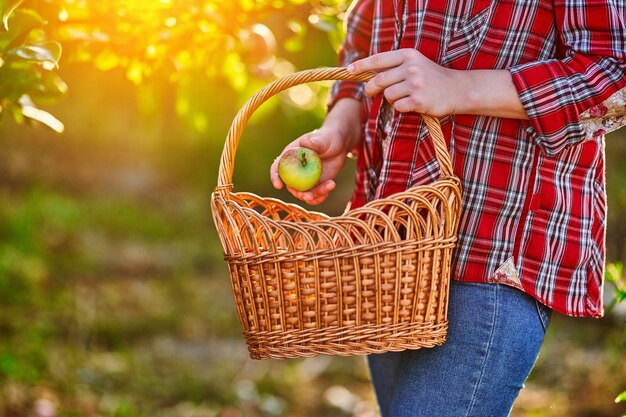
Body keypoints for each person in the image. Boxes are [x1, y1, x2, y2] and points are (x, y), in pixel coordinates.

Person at [270, 0, 626, 416]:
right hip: (392, 248)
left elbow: (614, 74)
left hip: (495, 248)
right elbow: (363, 47)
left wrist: (458, 87)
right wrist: (339, 129)